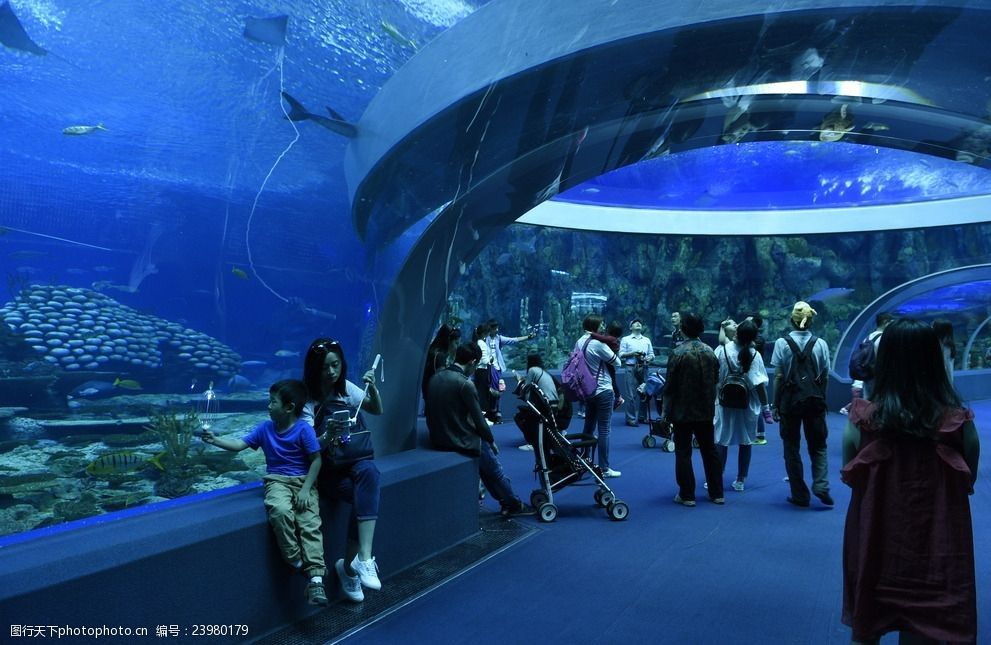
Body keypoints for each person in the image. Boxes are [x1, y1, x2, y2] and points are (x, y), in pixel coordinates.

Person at [841, 319, 980, 644]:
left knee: (870, 612)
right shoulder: (958, 424)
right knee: (926, 623)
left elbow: (850, 471)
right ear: (933, 360)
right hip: (937, 544)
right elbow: (969, 477)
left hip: (877, 536)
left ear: (884, 361)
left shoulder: (862, 421)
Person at [202, 379, 327, 606]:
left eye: (272, 402)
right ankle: (296, 561)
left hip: (303, 482)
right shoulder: (264, 428)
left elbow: (316, 460)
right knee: (279, 511)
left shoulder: (304, 430)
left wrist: (306, 489)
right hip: (276, 481)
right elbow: (239, 444)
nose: (268, 406)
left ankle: (317, 579)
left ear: (289, 407)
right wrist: (215, 440)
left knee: (310, 524)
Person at [302, 338, 383, 603]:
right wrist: (325, 436)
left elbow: (375, 409)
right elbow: (304, 447)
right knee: (364, 493)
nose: (331, 372)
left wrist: (373, 388)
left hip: (354, 461)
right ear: (315, 368)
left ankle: (363, 559)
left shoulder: (345, 388)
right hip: (325, 470)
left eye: (336, 365)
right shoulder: (307, 399)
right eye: (325, 367)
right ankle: (347, 567)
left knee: (370, 471)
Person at [426, 342, 535, 517]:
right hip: (462, 439)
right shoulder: (464, 384)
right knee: (494, 470)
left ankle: (506, 502)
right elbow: (479, 421)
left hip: (439, 438)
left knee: (487, 469)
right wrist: (491, 441)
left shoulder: (436, 377)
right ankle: (513, 504)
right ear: (472, 361)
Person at [771, 301, 833, 508]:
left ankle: (800, 494)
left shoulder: (781, 344)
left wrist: (775, 404)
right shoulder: (821, 344)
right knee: (819, 446)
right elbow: (824, 376)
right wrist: (822, 398)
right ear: (812, 321)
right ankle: (821, 485)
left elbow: (779, 377)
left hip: (790, 402)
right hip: (814, 401)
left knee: (791, 448)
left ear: (792, 320)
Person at [661, 312, 724, 506]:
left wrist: (666, 411)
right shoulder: (709, 351)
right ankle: (717, 493)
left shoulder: (678, 353)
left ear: (682, 329)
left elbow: (670, 386)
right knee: (709, 450)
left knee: (683, 451)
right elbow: (715, 380)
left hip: (682, 411)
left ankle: (687, 495)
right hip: (705, 410)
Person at [714, 319, 774, 492]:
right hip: (747, 404)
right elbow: (760, 385)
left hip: (725, 403)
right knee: (746, 442)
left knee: (721, 440)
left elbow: (715, 378)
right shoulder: (755, 355)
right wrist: (766, 409)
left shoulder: (723, 351)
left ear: (737, 333)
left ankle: (716, 477)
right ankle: (740, 480)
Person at [574, 313, 622, 477]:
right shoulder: (597, 344)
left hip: (588, 390)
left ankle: (583, 459)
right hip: (603, 390)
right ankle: (604, 467)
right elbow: (617, 361)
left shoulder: (579, 342)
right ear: (595, 326)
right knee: (604, 430)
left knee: (588, 426)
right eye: (601, 325)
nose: (604, 328)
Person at [481, 319, 535, 422]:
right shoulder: (484, 339)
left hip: (497, 368)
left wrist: (528, 337)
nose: (497, 330)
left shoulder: (499, 339)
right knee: (489, 391)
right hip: (487, 368)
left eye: (497, 328)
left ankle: (496, 411)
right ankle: (490, 412)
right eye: (494, 328)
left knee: (497, 391)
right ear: (490, 329)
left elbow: (513, 340)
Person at [619, 318, 655, 426]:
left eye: (639, 322)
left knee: (645, 393)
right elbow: (621, 354)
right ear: (630, 327)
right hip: (631, 367)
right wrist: (633, 353)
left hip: (644, 367)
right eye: (635, 323)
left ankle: (642, 417)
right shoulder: (625, 339)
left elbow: (652, 354)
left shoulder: (647, 340)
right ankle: (630, 419)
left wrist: (649, 358)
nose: (638, 323)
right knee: (631, 394)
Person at [422, 323, 461, 412]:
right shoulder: (440, 356)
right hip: (435, 396)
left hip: (428, 392)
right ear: (448, 340)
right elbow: (442, 380)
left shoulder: (434, 351)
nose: (457, 346)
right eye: (456, 343)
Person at [932, 318, 956, 384]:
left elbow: (946, 365)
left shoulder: (946, 346)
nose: (931, 328)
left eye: (933, 326)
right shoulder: (941, 344)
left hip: (942, 380)